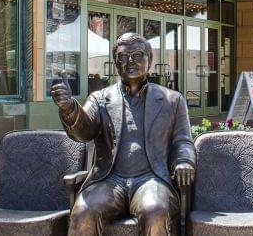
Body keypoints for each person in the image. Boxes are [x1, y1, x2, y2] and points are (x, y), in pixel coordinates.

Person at [51, 32, 196, 236]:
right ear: (115, 62)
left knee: (155, 211)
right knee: (84, 212)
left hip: (152, 180)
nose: (130, 61)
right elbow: (85, 132)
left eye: (137, 55)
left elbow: (183, 142)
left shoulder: (172, 100)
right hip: (108, 180)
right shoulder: (100, 98)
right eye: (123, 57)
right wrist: (69, 109)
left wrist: (184, 162)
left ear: (150, 59)